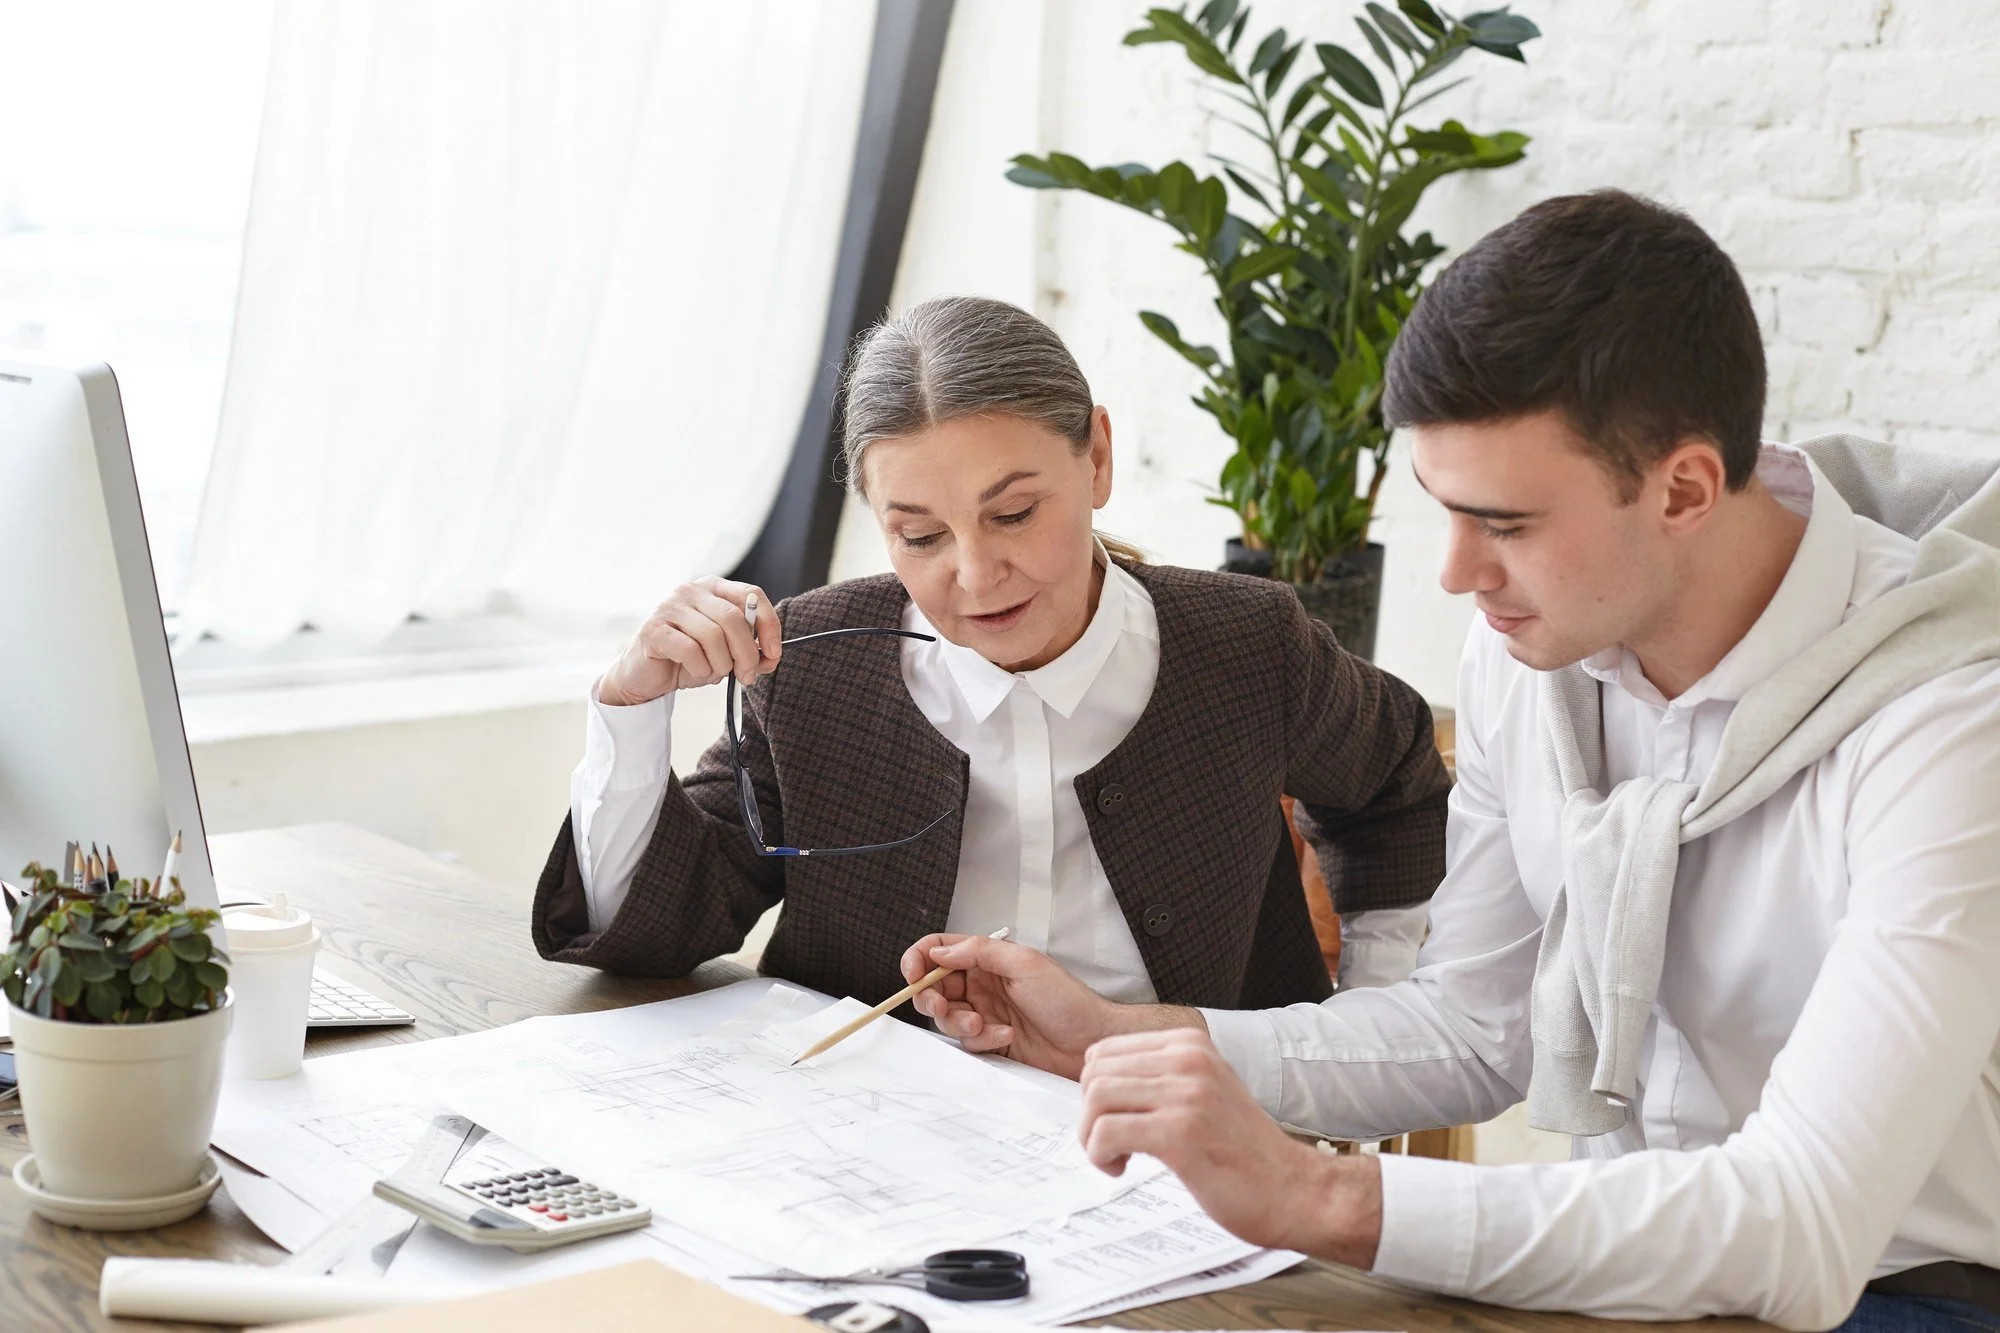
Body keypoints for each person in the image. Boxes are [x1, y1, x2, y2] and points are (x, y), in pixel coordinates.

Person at [898, 194, 2000, 1332]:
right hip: (1622, 1274)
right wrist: (1117, 1035)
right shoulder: (1533, 652)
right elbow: (1475, 1030)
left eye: (1505, 523)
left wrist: (1319, 1193)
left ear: (1680, 488)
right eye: (1443, 512)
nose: (1456, 574)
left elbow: (1800, 1228)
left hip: (1911, 1295)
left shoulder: (1946, 718)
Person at [531, 296, 1452, 1016]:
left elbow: (1399, 785)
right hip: (883, 1153)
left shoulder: (1246, 642)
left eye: (1013, 514)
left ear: (1095, 457)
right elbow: (651, 927)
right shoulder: (814, 664)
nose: (976, 575)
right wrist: (630, 703)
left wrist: (1361, 1022)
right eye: (921, 534)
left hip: (1188, 1157)